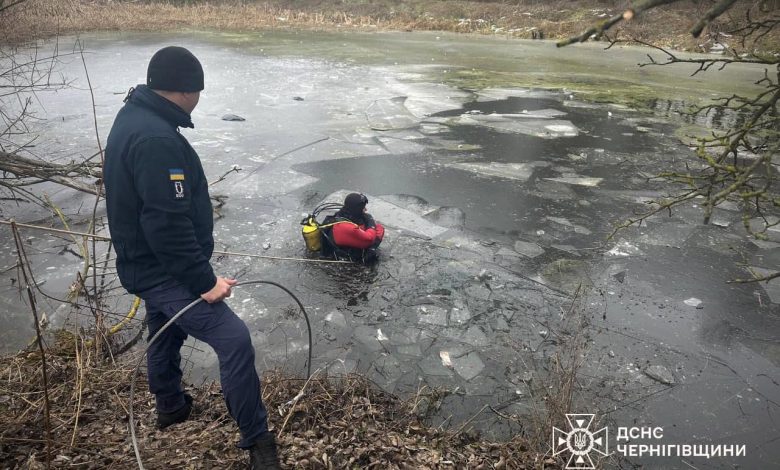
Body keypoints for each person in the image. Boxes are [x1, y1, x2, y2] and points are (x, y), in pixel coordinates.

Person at [103, 46, 281, 469]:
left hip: (143, 263)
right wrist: (205, 282)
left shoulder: (134, 117)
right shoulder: (157, 139)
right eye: (197, 89)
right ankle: (258, 443)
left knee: (164, 328)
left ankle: (170, 405)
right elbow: (167, 225)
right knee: (234, 340)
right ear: (186, 90)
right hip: (161, 268)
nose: (199, 98)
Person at [321, 193, 385, 263]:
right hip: (349, 259)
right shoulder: (347, 227)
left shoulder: (343, 214)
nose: (366, 210)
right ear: (357, 209)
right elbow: (370, 239)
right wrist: (370, 220)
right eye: (363, 208)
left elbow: (378, 227)